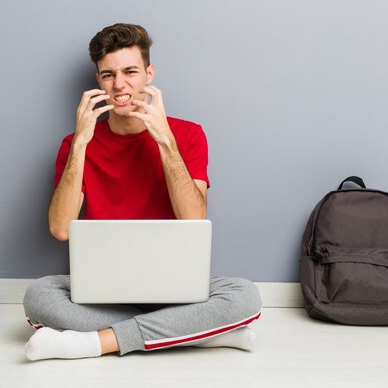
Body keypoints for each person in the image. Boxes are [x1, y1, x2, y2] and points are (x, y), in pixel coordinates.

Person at [23, 23, 262, 361]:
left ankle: (95, 343)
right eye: (108, 75)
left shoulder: (188, 135)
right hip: (102, 292)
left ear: (149, 74)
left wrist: (165, 140)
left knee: (244, 295)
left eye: (130, 72)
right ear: (98, 81)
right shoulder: (75, 143)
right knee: (39, 296)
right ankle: (194, 333)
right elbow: (60, 228)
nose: (119, 85)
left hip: (175, 291)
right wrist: (80, 143)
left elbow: (193, 217)